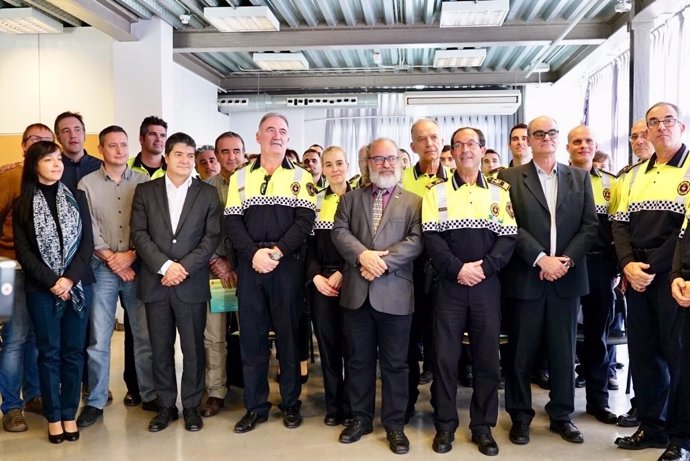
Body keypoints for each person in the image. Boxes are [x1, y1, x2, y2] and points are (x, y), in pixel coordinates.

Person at [498, 116, 597, 445]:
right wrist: (541, 259)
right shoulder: (508, 178)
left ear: (558, 139)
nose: (544, 138)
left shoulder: (580, 178)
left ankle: (561, 415)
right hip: (527, 277)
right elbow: (508, 224)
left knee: (563, 352)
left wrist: (564, 261)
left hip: (566, 279)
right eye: (537, 134)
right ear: (528, 139)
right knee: (520, 353)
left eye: (550, 133)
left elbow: (589, 227)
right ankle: (520, 417)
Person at [423, 127, 517, 456]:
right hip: (449, 285)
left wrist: (484, 269)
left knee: (487, 359)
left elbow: (508, 238)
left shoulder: (499, 193)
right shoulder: (436, 193)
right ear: (453, 151)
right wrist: (458, 269)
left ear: (482, 150)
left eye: (471, 144)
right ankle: (445, 425)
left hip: (486, 287)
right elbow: (431, 239)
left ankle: (482, 426)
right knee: (445, 358)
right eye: (459, 145)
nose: (465, 150)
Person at [225, 113, 316, 433]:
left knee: (290, 339)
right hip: (251, 267)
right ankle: (256, 406)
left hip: (287, 266)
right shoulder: (240, 177)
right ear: (258, 136)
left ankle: (290, 403)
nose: (276, 135)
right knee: (252, 340)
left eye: (282, 131)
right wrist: (254, 254)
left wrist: (276, 252)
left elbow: (304, 223)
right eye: (270, 131)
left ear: (288, 139)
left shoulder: (303, 177)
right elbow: (232, 222)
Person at [332, 137, 423, 455]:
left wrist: (380, 262)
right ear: (367, 163)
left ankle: (395, 424)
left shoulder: (413, 201)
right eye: (378, 159)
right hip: (357, 293)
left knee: (397, 364)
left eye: (391, 158)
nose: (385, 164)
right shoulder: (350, 199)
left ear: (400, 161)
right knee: (358, 361)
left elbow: (416, 241)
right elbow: (339, 233)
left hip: (396, 293)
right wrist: (363, 257)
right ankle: (360, 419)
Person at [130, 132, 221, 433]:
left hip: (191, 282)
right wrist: (166, 266)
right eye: (179, 154)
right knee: (160, 348)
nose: (185, 160)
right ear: (166, 157)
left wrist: (183, 268)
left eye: (190, 155)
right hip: (156, 282)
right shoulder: (145, 191)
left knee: (194, 348)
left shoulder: (207, 194)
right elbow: (139, 234)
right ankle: (166, 406)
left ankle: (192, 405)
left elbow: (210, 238)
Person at [612, 102, 689, 452]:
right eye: (653, 123)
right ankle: (651, 426)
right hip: (637, 278)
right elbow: (620, 224)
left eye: (667, 121)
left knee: (680, 358)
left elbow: (685, 232)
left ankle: (681, 438)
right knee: (643, 355)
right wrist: (627, 263)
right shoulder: (632, 175)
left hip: (674, 278)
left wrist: (651, 267)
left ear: (682, 127)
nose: (660, 128)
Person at [13, 140, 95, 443]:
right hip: (42, 289)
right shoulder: (22, 202)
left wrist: (69, 280)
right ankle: (53, 416)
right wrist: (53, 282)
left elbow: (87, 245)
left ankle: (69, 413)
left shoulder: (77, 197)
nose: (57, 164)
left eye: (58, 159)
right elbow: (24, 252)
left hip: (76, 287)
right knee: (48, 354)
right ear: (35, 165)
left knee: (74, 353)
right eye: (49, 160)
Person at [76, 126, 156, 428]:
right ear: (101, 148)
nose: (120, 150)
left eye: (123, 145)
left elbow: (149, 223)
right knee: (99, 338)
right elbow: (88, 225)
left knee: (143, 333)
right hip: (102, 267)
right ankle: (95, 401)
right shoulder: (86, 183)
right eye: (113, 145)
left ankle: (149, 394)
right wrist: (111, 258)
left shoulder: (144, 182)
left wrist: (132, 254)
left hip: (136, 266)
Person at [0, 124, 54, 433]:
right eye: (35, 141)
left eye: (47, 142)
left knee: (36, 337)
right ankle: (11, 406)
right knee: (14, 339)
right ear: (23, 146)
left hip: (42, 273)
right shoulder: (9, 177)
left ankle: (33, 395)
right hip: (10, 270)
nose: (41, 146)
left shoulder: (50, 179)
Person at [566, 126, 619, 425]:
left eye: (588, 141)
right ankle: (562, 406)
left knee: (598, 338)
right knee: (563, 337)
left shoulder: (613, 184)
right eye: (577, 141)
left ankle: (598, 402)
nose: (583, 146)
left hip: (600, 268)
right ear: (568, 147)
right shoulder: (559, 180)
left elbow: (619, 229)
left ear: (595, 145)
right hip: (568, 267)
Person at [402, 118, 451, 416]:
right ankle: (405, 399)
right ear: (413, 146)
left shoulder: (456, 177)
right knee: (407, 336)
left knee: (440, 339)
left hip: (443, 268)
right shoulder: (402, 177)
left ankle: (440, 402)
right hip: (409, 267)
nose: (429, 143)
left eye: (434, 137)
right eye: (422, 139)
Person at [306, 146, 352, 426]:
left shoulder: (358, 199)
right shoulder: (314, 201)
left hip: (353, 281)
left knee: (354, 348)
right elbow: (307, 246)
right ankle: (334, 406)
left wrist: (345, 273)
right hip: (321, 284)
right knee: (329, 347)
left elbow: (365, 245)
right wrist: (316, 277)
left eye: (339, 163)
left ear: (348, 166)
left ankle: (353, 404)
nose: (334, 169)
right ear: (322, 169)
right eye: (329, 164)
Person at [201, 131, 245, 417]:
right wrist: (217, 260)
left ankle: (253, 390)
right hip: (216, 271)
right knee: (214, 335)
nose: (231, 157)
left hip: (250, 271)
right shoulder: (204, 189)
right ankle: (216, 390)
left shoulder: (254, 184)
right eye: (225, 152)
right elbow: (199, 232)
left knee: (251, 333)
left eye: (236, 151)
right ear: (216, 156)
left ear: (244, 153)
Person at [668, 212, 690, 461]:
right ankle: (680, 440)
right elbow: (682, 240)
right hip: (685, 292)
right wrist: (676, 276)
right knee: (684, 373)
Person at [54, 112, 102, 192]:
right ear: (58, 137)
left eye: (77, 130)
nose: (73, 135)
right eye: (66, 131)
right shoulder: (52, 169)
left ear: (84, 134)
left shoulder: (101, 167)